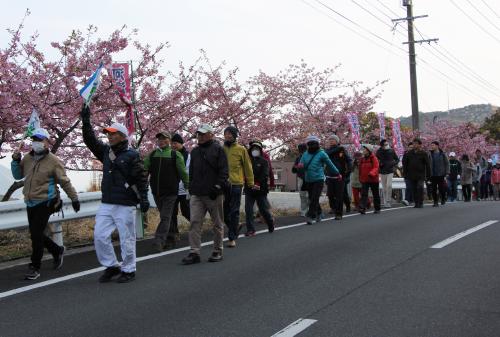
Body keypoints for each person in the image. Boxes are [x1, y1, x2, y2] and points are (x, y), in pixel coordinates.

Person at [81, 106, 149, 283]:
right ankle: (111, 266)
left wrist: (144, 198)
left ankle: (129, 269)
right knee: (99, 235)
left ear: (123, 136)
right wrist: (86, 119)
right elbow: (89, 140)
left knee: (127, 238)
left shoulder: (132, 155)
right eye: (108, 134)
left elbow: (141, 177)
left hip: (125, 203)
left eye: (113, 133)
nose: (109, 136)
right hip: (107, 202)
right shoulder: (105, 152)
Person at [11, 128, 80, 280]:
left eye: (40, 139)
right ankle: (57, 250)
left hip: (47, 201)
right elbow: (18, 175)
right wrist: (15, 161)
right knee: (36, 234)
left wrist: (74, 198)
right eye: (34, 139)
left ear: (47, 142)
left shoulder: (53, 161)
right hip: (30, 202)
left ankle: (35, 267)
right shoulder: (27, 159)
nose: (37, 142)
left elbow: (64, 181)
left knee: (35, 234)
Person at [181, 124, 228, 265]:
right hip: (197, 193)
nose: (199, 137)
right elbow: (192, 172)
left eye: (202, 134)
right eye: (198, 134)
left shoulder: (218, 149)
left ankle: (217, 250)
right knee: (194, 222)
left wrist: (218, 187)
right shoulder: (194, 152)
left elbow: (224, 171)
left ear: (211, 135)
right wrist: (191, 187)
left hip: (214, 193)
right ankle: (194, 252)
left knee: (217, 223)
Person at [144, 131, 188, 252]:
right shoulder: (152, 154)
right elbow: (145, 169)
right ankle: (172, 236)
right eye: (159, 139)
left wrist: (188, 187)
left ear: (169, 140)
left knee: (165, 216)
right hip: (156, 192)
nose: (161, 141)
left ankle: (159, 241)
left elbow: (183, 173)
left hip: (171, 192)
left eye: (164, 139)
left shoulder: (175, 155)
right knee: (166, 216)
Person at [223, 126, 254, 248]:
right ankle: (235, 226)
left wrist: (250, 183)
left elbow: (247, 167)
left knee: (234, 210)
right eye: (226, 134)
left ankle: (232, 238)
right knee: (224, 212)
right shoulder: (221, 149)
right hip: (224, 184)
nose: (228, 136)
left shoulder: (241, 149)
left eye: (230, 134)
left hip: (237, 183)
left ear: (235, 136)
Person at [297, 135, 339, 225]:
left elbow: (330, 164)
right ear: (307, 145)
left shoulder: (322, 153)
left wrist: (337, 173)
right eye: (310, 144)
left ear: (317, 144)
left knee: (315, 197)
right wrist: (300, 166)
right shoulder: (305, 154)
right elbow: (301, 164)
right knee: (312, 198)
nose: (311, 146)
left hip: (319, 179)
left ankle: (311, 215)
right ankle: (319, 212)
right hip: (308, 179)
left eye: (313, 144)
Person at [244, 141, 275, 235]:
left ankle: (270, 222)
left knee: (263, 209)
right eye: (253, 148)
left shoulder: (264, 161)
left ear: (260, 150)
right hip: (249, 189)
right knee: (248, 209)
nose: (255, 150)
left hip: (261, 189)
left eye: (257, 149)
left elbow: (265, 174)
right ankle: (251, 229)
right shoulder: (247, 161)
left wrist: (257, 183)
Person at [168, 133, 191, 248]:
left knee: (186, 211)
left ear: (181, 143)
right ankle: (174, 233)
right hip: (173, 189)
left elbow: (190, 172)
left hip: (185, 189)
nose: (173, 145)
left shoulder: (188, 156)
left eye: (175, 143)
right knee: (172, 213)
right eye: (172, 143)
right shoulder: (171, 155)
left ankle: (197, 225)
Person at [325, 134, 352, 220]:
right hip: (329, 175)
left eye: (333, 140)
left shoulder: (342, 150)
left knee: (339, 195)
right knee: (330, 194)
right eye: (330, 140)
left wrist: (348, 171)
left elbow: (348, 160)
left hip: (340, 175)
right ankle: (333, 207)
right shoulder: (327, 151)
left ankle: (339, 213)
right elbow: (326, 154)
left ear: (337, 141)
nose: (331, 141)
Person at [402, 138, 431, 209]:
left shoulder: (423, 153)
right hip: (411, 174)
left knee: (420, 187)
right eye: (413, 143)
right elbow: (405, 164)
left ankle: (420, 202)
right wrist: (405, 174)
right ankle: (416, 203)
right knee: (414, 189)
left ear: (420, 145)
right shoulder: (409, 153)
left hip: (421, 175)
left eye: (416, 143)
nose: (414, 145)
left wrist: (428, 175)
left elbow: (427, 165)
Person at [376, 139, 399, 208]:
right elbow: (376, 160)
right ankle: (385, 201)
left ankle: (388, 201)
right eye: (385, 145)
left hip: (390, 170)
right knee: (384, 188)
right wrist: (379, 163)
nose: (387, 145)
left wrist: (393, 163)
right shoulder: (379, 152)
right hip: (382, 171)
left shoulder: (391, 151)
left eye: (387, 144)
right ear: (382, 146)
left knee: (389, 185)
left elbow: (397, 159)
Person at [358, 144, 381, 214]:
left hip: (373, 179)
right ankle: (362, 208)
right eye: (363, 149)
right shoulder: (362, 159)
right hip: (365, 179)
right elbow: (360, 169)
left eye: (365, 149)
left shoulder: (373, 158)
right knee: (364, 194)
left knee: (375, 194)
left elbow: (376, 167)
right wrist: (360, 177)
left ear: (368, 150)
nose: (363, 150)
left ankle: (377, 208)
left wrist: (372, 173)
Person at [429, 141, 450, 207]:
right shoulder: (430, 154)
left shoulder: (443, 154)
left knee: (441, 188)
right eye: (431, 145)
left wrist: (447, 172)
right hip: (433, 174)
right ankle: (435, 202)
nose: (432, 146)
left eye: (433, 145)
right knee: (433, 189)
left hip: (441, 174)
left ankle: (443, 199)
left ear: (437, 146)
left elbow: (447, 163)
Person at [292, 143, 309, 216]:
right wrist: (296, 167)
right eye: (300, 150)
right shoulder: (298, 158)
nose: (301, 151)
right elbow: (294, 169)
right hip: (301, 177)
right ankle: (304, 211)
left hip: (309, 178)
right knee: (302, 195)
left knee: (308, 195)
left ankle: (308, 210)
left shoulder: (310, 156)